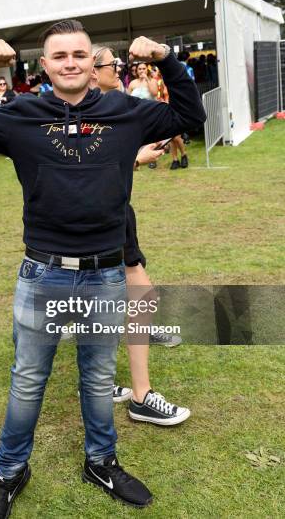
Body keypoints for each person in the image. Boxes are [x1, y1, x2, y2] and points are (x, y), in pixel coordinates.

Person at [0, 19, 206, 517]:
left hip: (106, 272)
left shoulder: (126, 111)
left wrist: (166, 58)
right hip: (44, 273)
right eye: (59, 56)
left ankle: (100, 461)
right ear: (44, 66)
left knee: (99, 375)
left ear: (93, 61)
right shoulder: (22, 113)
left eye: (78, 55)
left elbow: (191, 116)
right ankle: (9, 472)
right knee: (28, 380)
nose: (69, 63)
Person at [91, 46, 190, 422]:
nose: (117, 66)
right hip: (99, 215)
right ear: (91, 72)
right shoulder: (85, 110)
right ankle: (137, 393)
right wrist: (136, 158)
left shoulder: (118, 105)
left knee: (129, 292)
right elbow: (88, 165)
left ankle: (125, 383)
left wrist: (137, 153)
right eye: (109, 63)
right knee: (122, 294)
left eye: (117, 61)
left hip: (118, 210)